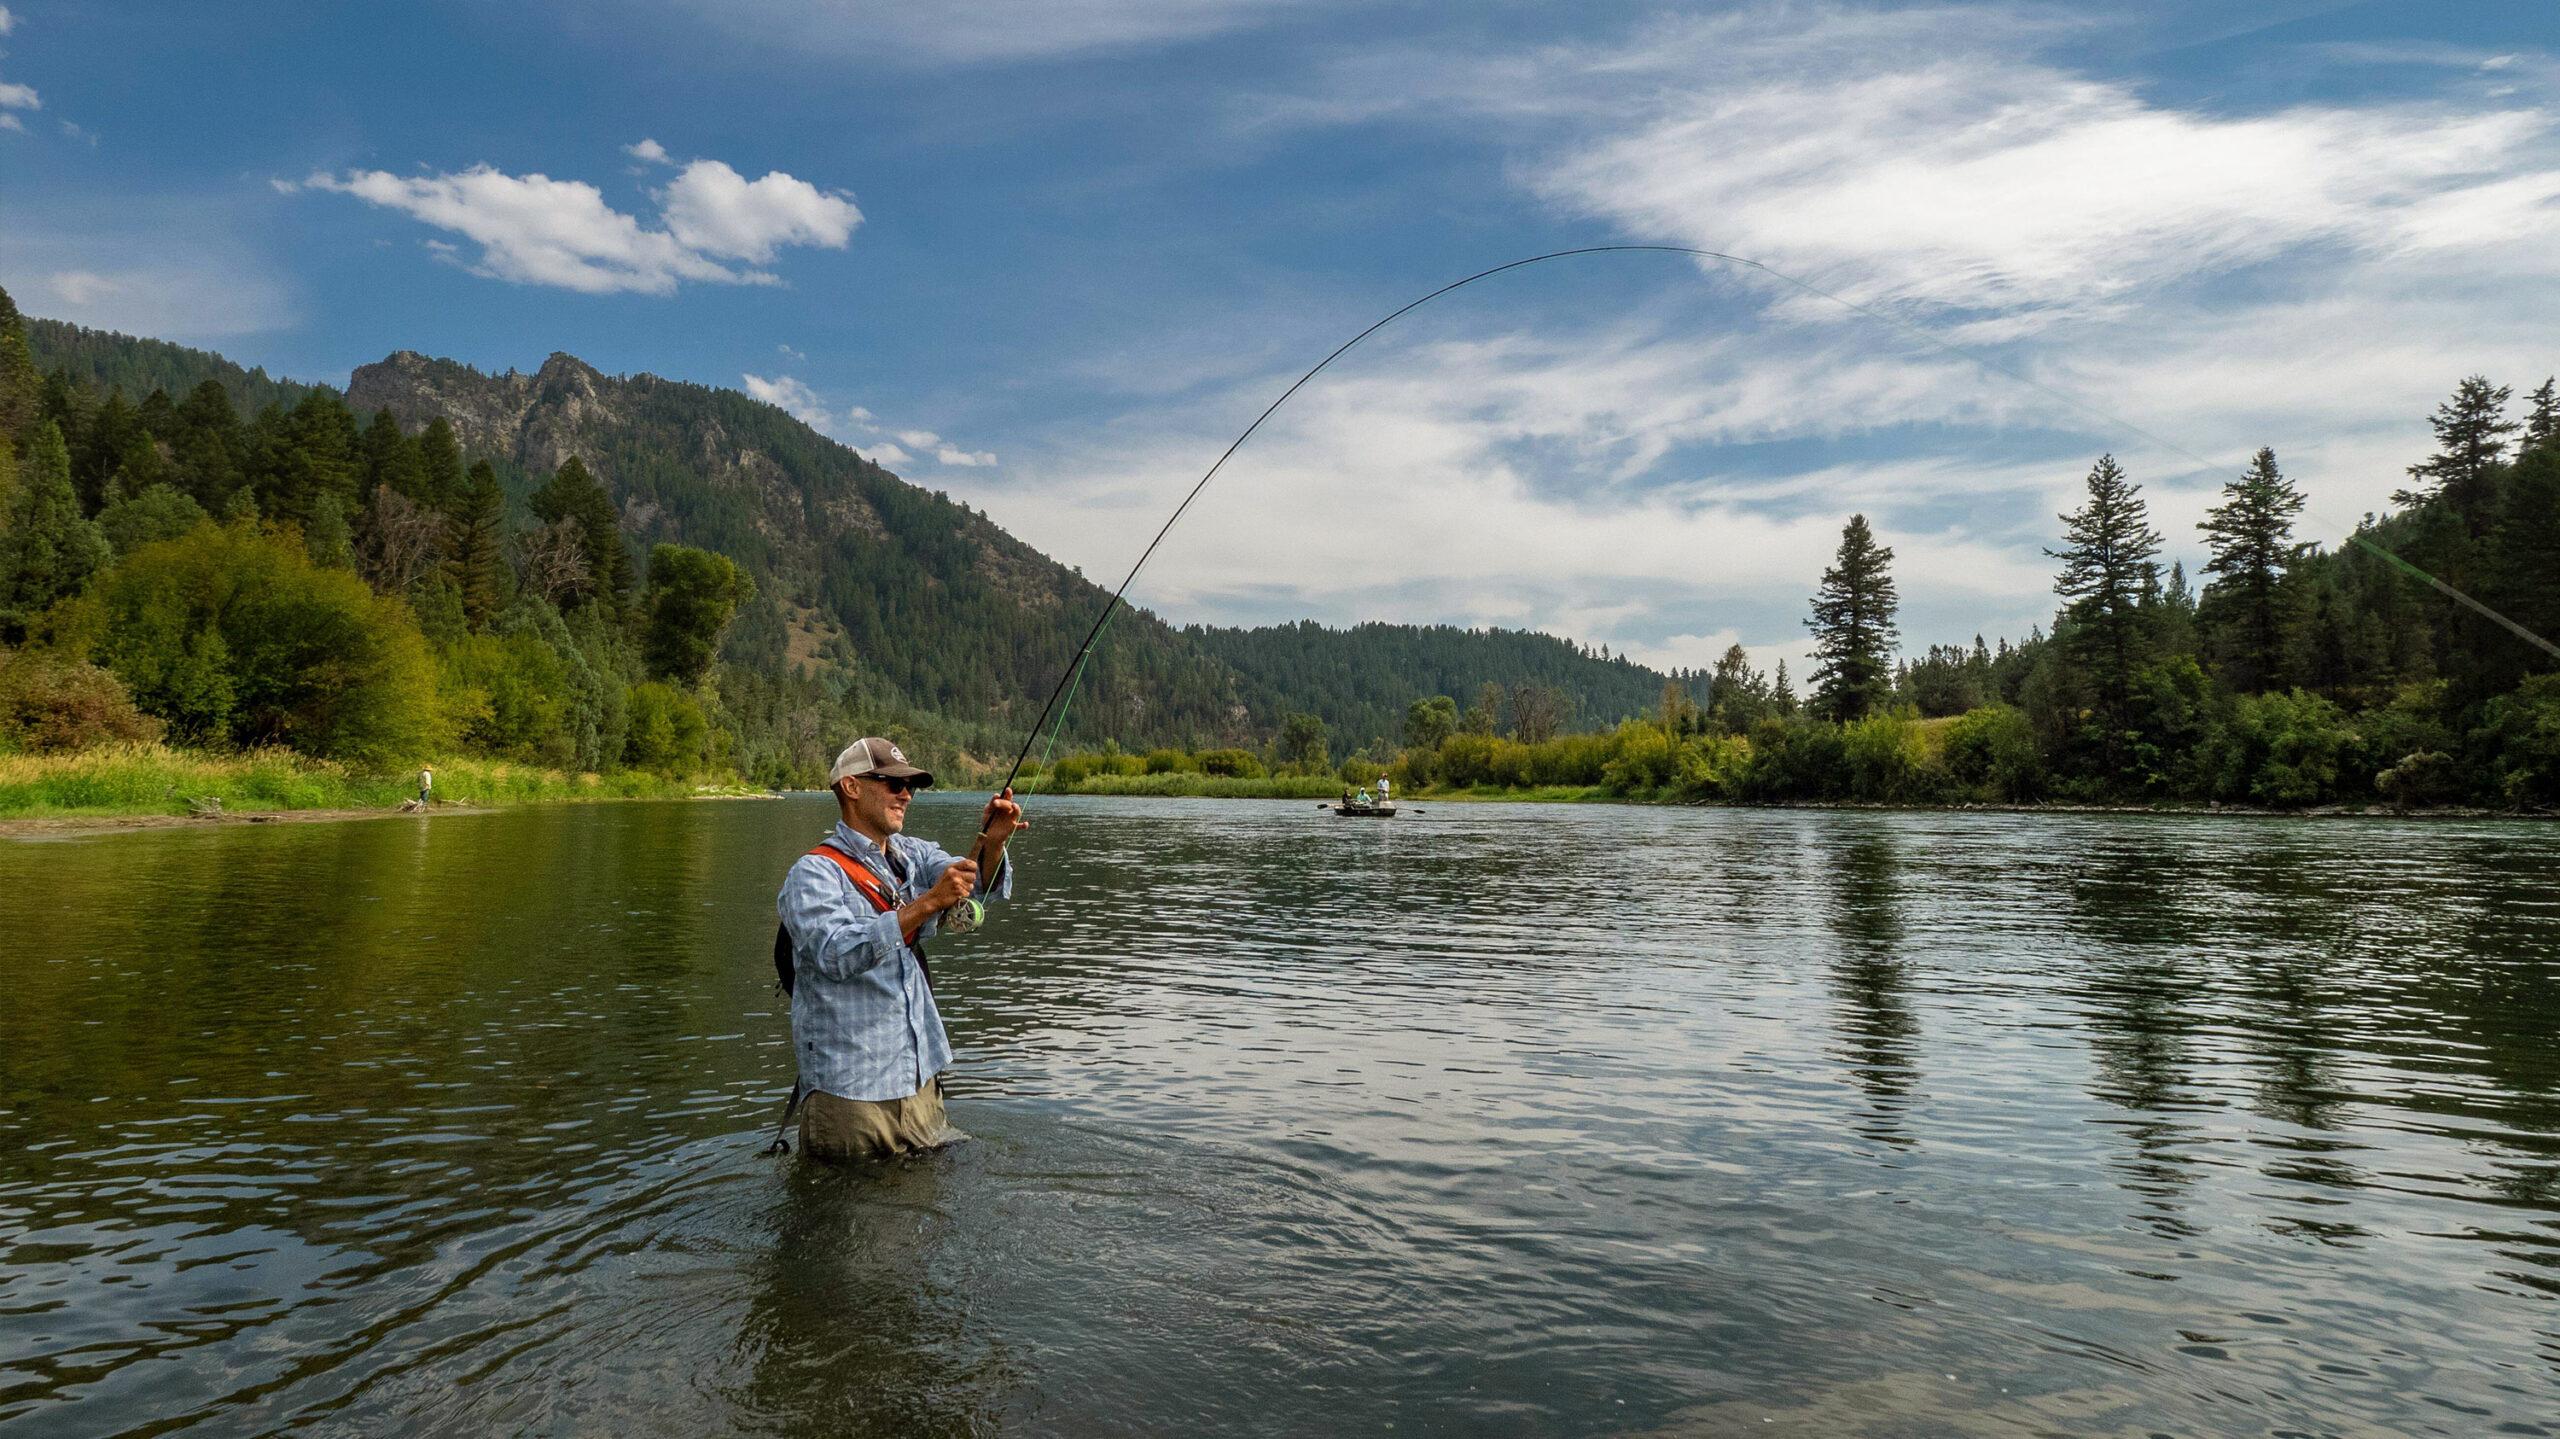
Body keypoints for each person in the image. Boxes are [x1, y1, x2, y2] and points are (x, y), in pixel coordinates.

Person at [776, 737, 1024, 1162]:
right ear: (852, 787)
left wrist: (994, 844)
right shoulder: (813, 873)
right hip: (852, 1096)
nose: (905, 794)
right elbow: (836, 953)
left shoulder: (914, 853)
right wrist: (928, 902)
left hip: (921, 1082)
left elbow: (975, 886)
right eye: (892, 784)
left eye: (909, 785)